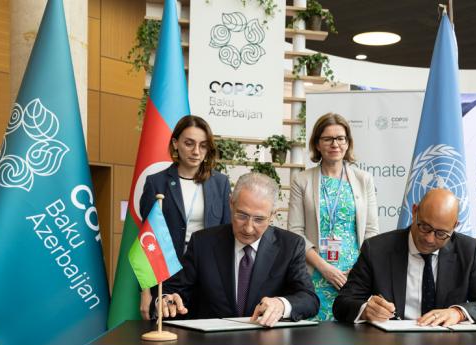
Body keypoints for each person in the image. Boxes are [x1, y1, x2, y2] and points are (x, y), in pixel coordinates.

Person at [160, 173, 320, 326]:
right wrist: (167, 299)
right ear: (231, 204)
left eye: (259, 219)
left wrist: (282, 304)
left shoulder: (290, 246)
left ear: (272, 215)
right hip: (211, 344)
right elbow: (174, 291)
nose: (248, 229)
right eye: (242, 216)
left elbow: (309, 299)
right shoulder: (202, 242)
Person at [333, 189, 476, 325]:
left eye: (441, 233)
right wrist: (366, 309)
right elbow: (343, 303)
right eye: (424, 227)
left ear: (454, 226)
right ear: (415, 212)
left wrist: (457, 313)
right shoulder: (377, 249)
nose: (430, 239)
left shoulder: (467, 250)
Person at [139, 115, 231, 319]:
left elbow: (227, 233)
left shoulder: (220, 183)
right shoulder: (156, 183)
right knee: (170, 337)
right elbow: (147, 239)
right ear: (175, 143)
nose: (196, 151)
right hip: (169, 276)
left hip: (210, 277)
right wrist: (145, 291)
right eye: (189, 143)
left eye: (203, 145)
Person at [288, 113, 379, 320]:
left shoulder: (364, 179)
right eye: (327, 139)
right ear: (317, 144)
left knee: (352, 334)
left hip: (354, 275)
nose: (335, 144)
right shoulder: (301, 181)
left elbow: (372, 232)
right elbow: (295, 233)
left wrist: (358, 270)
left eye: (340, 138)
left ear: (348, 143)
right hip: (315, 271)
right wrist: (325, 268)